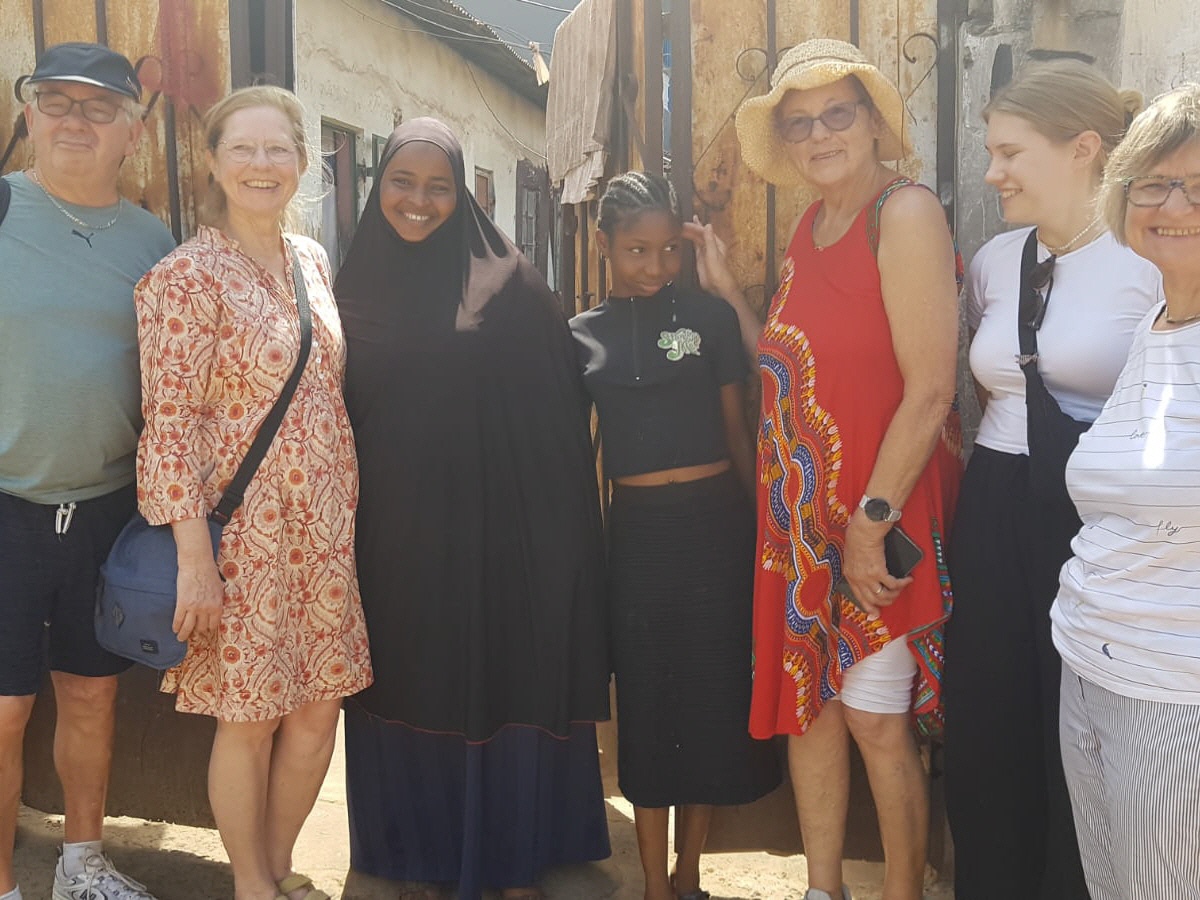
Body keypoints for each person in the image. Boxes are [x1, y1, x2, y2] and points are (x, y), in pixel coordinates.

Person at [687, 38, 962, 900]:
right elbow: (792, 364)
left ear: (874, 121)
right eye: (799, 123)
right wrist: (729, 296)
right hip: (803, 530)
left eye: (836, 113)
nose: (819, 135)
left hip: (876, 521)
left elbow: (931, 390)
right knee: (812, 713)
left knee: (877, 722)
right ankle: (823, 889)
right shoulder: (810, 228)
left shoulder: (902, 214)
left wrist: (871, 528)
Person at [333, 118, 611, 900]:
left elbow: (557, 416)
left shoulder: (511, 286)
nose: (418, 201)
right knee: (403, 678)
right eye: (401, 181)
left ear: (464, 194)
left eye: (439, 186)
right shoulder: (346, 284)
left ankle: (511, 854)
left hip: (493, 538)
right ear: (377, 184)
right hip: (390, 538)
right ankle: (406, 855)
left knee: (496, 673)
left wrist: (554, 543)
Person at [133, 85, 372, 900]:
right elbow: (169, 427)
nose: (260, 164)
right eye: (242, 148)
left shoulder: (311, 260)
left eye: (278, 149)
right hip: (242, 539)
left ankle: (274, 867)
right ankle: (250, 884)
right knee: (252, 715)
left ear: (302, 162)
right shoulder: (185, 277)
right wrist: (194, 561)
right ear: (213, 162)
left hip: (325, 531)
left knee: (318, 710)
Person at [939, 60, 1159, 900]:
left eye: (1009, 153)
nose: (991, 173)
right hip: (995, 504)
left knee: (1081, 727)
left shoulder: (1148, 263)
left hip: (1098, 517)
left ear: (1084, 148)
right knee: (988, 725)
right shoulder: (1000, 261)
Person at [569, 171, 780, 900]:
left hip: (716, 529)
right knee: (649, 711)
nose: (655, 265)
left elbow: (738, 429)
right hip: (636, 540)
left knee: (711, 701)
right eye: (637, 250)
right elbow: (569, 454)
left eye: (668, 250)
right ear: (604, 245)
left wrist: (760, 526)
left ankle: (690, 876)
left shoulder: (709, 319)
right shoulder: (581, 337)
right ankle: (655, 887)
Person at [0, 42, 175, 900]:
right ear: (28, 114)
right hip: (5, 507)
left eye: (98, 106)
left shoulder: (153, 241)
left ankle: (81, 865)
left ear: (132, 133)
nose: (75, 120)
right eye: (56, 101)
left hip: (107, 507)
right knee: (3, 712)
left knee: (92, 698)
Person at [1050, 82, 1200, 899]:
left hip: (1176, 693)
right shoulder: (1158, 328)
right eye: (1155, 183)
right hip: (1092, 664)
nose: (1174, 206)